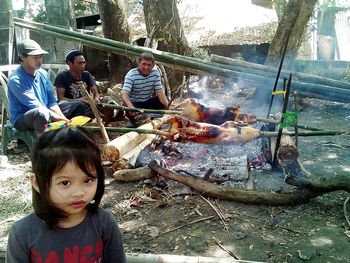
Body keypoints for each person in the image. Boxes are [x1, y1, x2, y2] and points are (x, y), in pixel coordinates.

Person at [6, 127, 126, 263]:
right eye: (65, 183)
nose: (79, 192)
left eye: (88, 180)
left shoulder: (104, 223)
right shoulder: (23, 233)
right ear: (37, 183)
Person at [8, 39, 87, 135]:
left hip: (46, 111)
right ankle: (43, 145)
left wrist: (62, 118)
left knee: (78, 106)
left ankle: (69, 136)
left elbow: (51, 102)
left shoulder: (43, 74)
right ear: (22, 57)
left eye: (40, 57)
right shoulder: (16, 79)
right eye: (35, 57)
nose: (39, 61)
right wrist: (61, 119)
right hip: (23, 117)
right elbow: (36, 106)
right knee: (41, 113)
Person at [121, 52, 169, 127]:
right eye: (144, 64)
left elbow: (160, 92)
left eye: (149, 65)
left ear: (153, 65)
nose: (146, 67)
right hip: (134, 103)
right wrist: (131, 108)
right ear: (139, 63)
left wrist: (167, 107)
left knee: (160, 100)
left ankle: (152, 116)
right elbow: (124, 94)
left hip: (147, 102)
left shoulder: (155, 73)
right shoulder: (131, 74)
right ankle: (132, 119)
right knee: (127, 103)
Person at [54, 50, 100, 117]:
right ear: (70, 63)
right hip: (72, 107)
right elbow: (60, 98)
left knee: (107, 100)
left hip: (88, 105)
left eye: (84, 63)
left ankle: (103, 123)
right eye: (80, 63)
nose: (83, 65)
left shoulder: (86, 75)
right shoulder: (62, 76)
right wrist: (78, 100)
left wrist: (95, 100)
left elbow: (96, 93)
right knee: (76, 105)